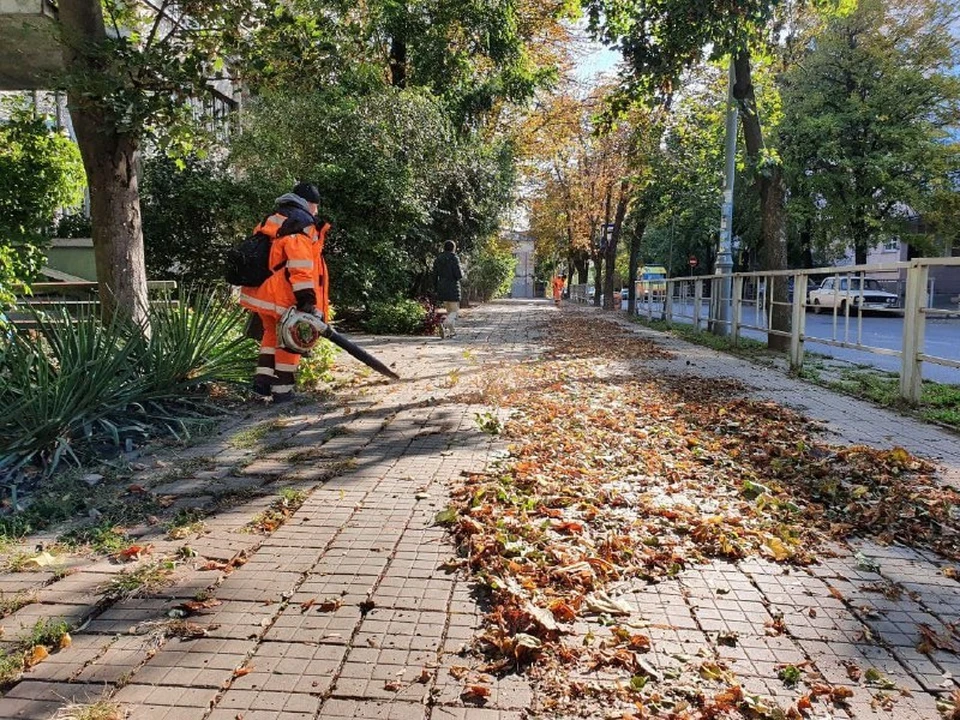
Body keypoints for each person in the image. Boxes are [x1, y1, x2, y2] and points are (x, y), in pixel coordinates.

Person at [239, 183, 331, 402]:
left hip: (263, 291)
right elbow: (300, 266)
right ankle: (283, 391)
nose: (316, 211)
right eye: (315, 206)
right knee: (290, 339)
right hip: (284, 295)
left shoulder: (271, 219)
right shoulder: (300, 224)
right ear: (308, 203)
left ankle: (261, 387)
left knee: (271, 335)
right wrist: (307, 299)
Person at [433, 240, 463, 339]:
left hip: (442, 287)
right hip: (453, 287)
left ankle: (452, 332)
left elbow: (434, 275)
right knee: (453, 312)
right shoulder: (454, 258)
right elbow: (458, 275)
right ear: (453, 248)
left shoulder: (438, 259)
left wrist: (436, 287)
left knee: (449, 310)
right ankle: (444, 324)